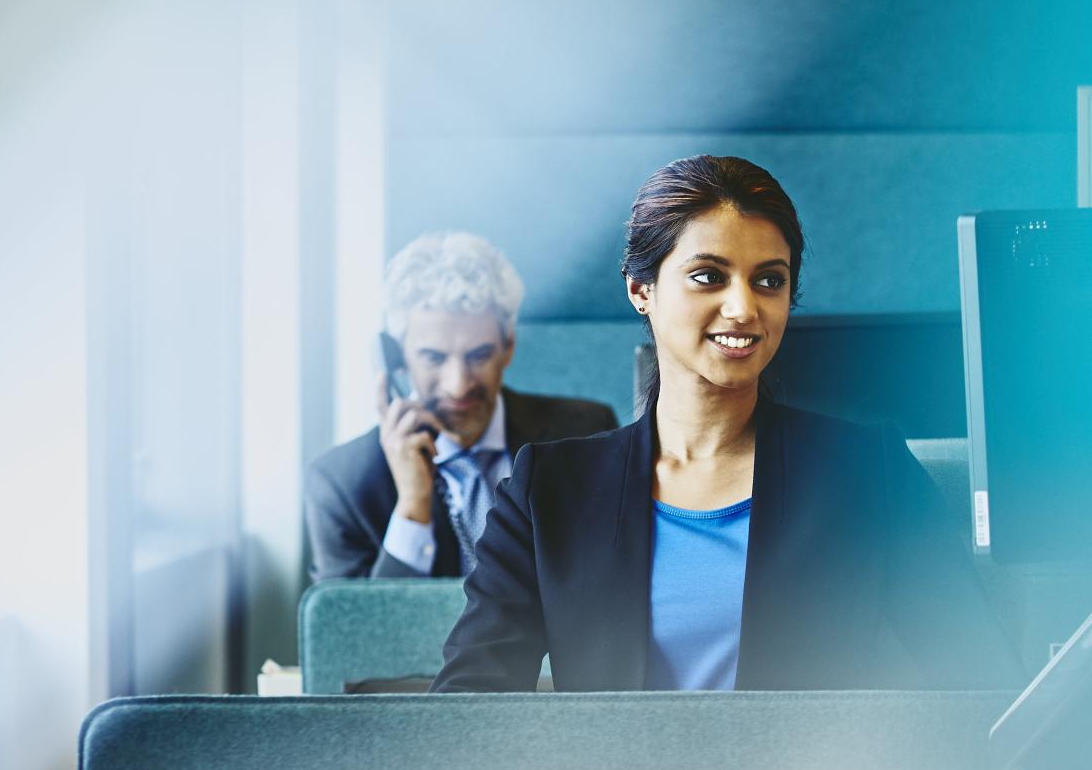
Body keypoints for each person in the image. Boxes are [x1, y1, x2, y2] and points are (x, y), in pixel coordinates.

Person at [434, 156, 1020, 692]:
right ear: (642, 289)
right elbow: (467, 708)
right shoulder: (549, 488)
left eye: (769, 280)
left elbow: (983, 684)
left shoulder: (869, 471)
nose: (744, 308)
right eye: (708, 276)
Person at [305, 232, 621, 582]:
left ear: (508, 346)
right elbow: (354, 636)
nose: (459, 384)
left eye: (479, 355)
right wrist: (413, 505)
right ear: (396, 357)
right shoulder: (342, 484)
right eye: (433, 357)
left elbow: (617, 580)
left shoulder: (584, 432)